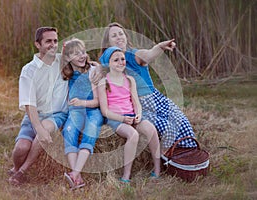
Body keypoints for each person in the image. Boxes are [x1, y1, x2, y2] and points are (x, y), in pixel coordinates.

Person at [100, 22, 197, 153]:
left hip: (154, 98)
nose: (119, 37)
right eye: (114, 36)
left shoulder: (134, 55)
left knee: (182, 122)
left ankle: (190, 153)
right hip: (137, 105)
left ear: (126, 36)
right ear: (108, 42)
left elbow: (148, 54)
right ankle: (166, 157)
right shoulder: (106, 63)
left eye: (121, 34)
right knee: (167, 128)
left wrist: (160, 47)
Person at [8, 27, 68, 185]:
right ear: (37, 44)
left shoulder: (63, 62)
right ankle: (15, 168)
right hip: (33, 115)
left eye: (55, 41)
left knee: (45, 130)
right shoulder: (28, 70)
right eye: (48, 41)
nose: (53, 45)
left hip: (56, 115)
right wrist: (37, 127)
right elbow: (29, 104)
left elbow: (86, 62)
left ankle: (22, 172)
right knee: (21, 148)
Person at [98, 46, 161, 182]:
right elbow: (105, 111)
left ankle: (157, 170)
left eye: (122, 59)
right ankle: (126, 176)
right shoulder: (104, 82)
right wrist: (122, 118)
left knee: (151, 130)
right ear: (108, 63)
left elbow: (135, 101)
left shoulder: (130, 80)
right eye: (116, 60)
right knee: (133, 135)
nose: (121, 62)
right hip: (116, 118)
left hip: (132, 114)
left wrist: (138, 114)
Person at [61, 38, 103, 189]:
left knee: (91, 129)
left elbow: (97, 101)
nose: (82, 56)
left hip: (92, 110)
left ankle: (75, 173)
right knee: (69, 130)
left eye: (83, 52)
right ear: (67, 58)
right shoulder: (67, 74)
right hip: (75, 111)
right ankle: (77, 177)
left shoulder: (91, 72)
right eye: (76, 53)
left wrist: (81, 102)